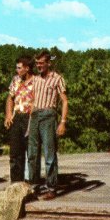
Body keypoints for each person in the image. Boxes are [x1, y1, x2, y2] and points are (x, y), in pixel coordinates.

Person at [27, 50, 68, 200]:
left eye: (41, 63)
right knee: (32, 153)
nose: (39, 66)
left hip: (49, 115)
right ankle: (33, 186)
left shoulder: (57, 78)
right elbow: (32, 99)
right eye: (37, 63)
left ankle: (51, 187)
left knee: (49, 154)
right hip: (35, 115)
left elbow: (64, 100)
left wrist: (62, 122)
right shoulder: (35, 79)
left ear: (48, 63)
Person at [4, 55, 35, 183]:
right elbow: (10, 98)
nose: (17, 70)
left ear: (27, 68)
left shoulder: (36, 81)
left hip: (31, 117)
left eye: (19, 68)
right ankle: (16, 182)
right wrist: (8, 115)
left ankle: (31, 181)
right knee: (15, 152)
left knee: (31, 152)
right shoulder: (15, 80)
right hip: (17, 117)